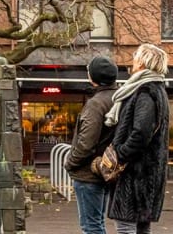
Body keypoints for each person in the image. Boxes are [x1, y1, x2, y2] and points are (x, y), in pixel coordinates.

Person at [105, 44, 170, 234]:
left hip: (135, 174)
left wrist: (120, 155)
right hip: (146, 173)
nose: (133, 60)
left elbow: (141, 133)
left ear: (142, 62)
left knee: (125, 225)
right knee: (141, 227)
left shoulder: (146, 91)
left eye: (136, 57)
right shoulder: (156, 90)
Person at [64, 56, 119, 234]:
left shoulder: (96, 104)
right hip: (107, 169)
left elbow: (86, 143)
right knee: (98, 223)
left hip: (88, 174)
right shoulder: (119, 99)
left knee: (91, 227)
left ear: (92, 77)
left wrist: (70, 162)